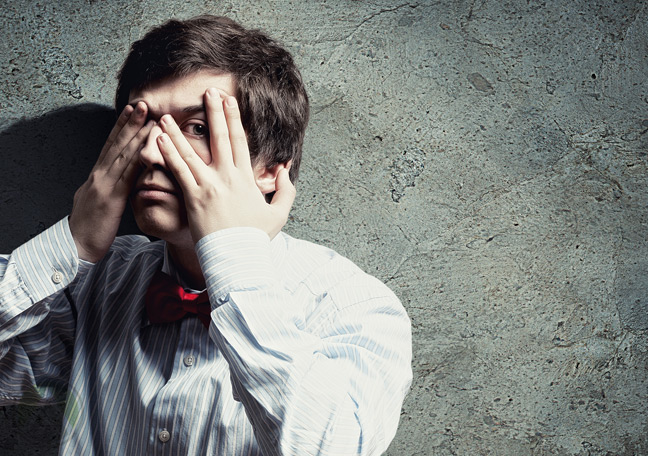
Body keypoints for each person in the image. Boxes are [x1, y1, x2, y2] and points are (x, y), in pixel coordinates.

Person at [0, 15, 412, 455]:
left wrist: (234, 263)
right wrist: (73, 242)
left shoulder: (356, 307)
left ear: (271, 170)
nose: (154, 150)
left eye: (197, 128)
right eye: (142, 125)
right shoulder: (94, 285)